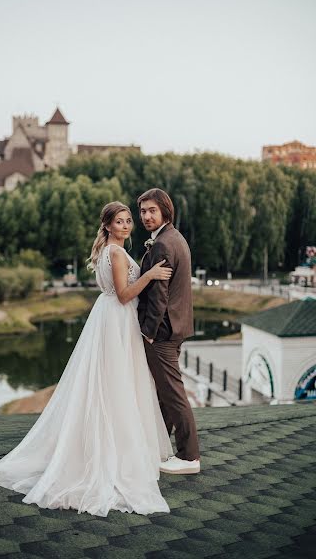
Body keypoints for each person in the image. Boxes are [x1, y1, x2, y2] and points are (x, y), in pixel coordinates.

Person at [0, 201, 173, 517]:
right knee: (116, 386)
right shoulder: (114, 252)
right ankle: (113, 456)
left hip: (109, 317)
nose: (126, 225)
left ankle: (109, 447)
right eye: (120, 221)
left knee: (109, 385)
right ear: (108, 226)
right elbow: (125, 295)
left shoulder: (108, 251)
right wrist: (150, 274)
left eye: (128, 221)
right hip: (117, 319)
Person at [137, 188, 201, 474]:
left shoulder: (163, 244)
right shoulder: (175, 238)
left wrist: (149, 332)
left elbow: (159, 295)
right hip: (176, 327)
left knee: (173, 394)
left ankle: (189, 457)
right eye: (142, 211)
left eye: (152, 210)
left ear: (165, 210)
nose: (146, 216)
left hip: (162, 332)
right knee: (166, 393)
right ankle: (162, 448)